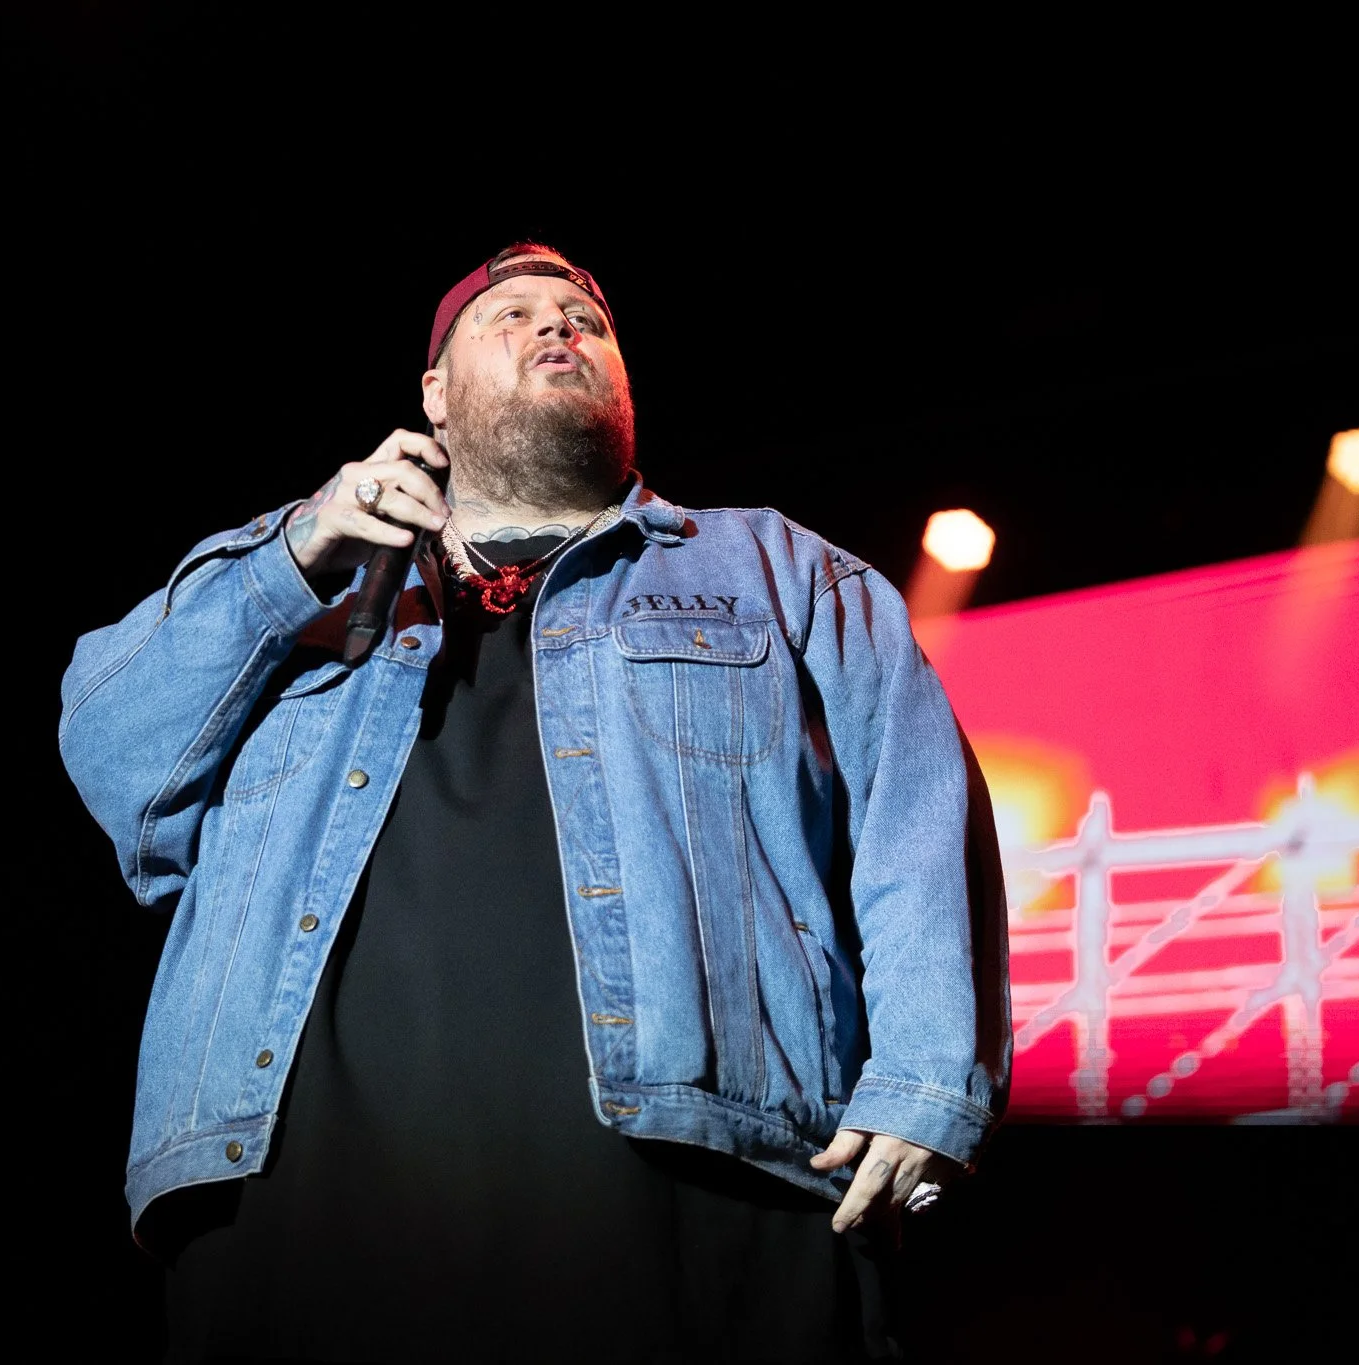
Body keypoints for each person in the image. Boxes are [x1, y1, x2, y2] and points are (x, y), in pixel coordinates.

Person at [59, 243, 1011, 1362]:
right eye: (509, 314)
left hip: (693, 1191)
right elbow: (116, 753)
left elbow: (915, 818)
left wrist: (924, 1079)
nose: (559, 326)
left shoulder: (781, 571)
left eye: (585, 319)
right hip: (297, 1203)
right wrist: (296, 552)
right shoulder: (298, 583)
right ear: (432, 395)